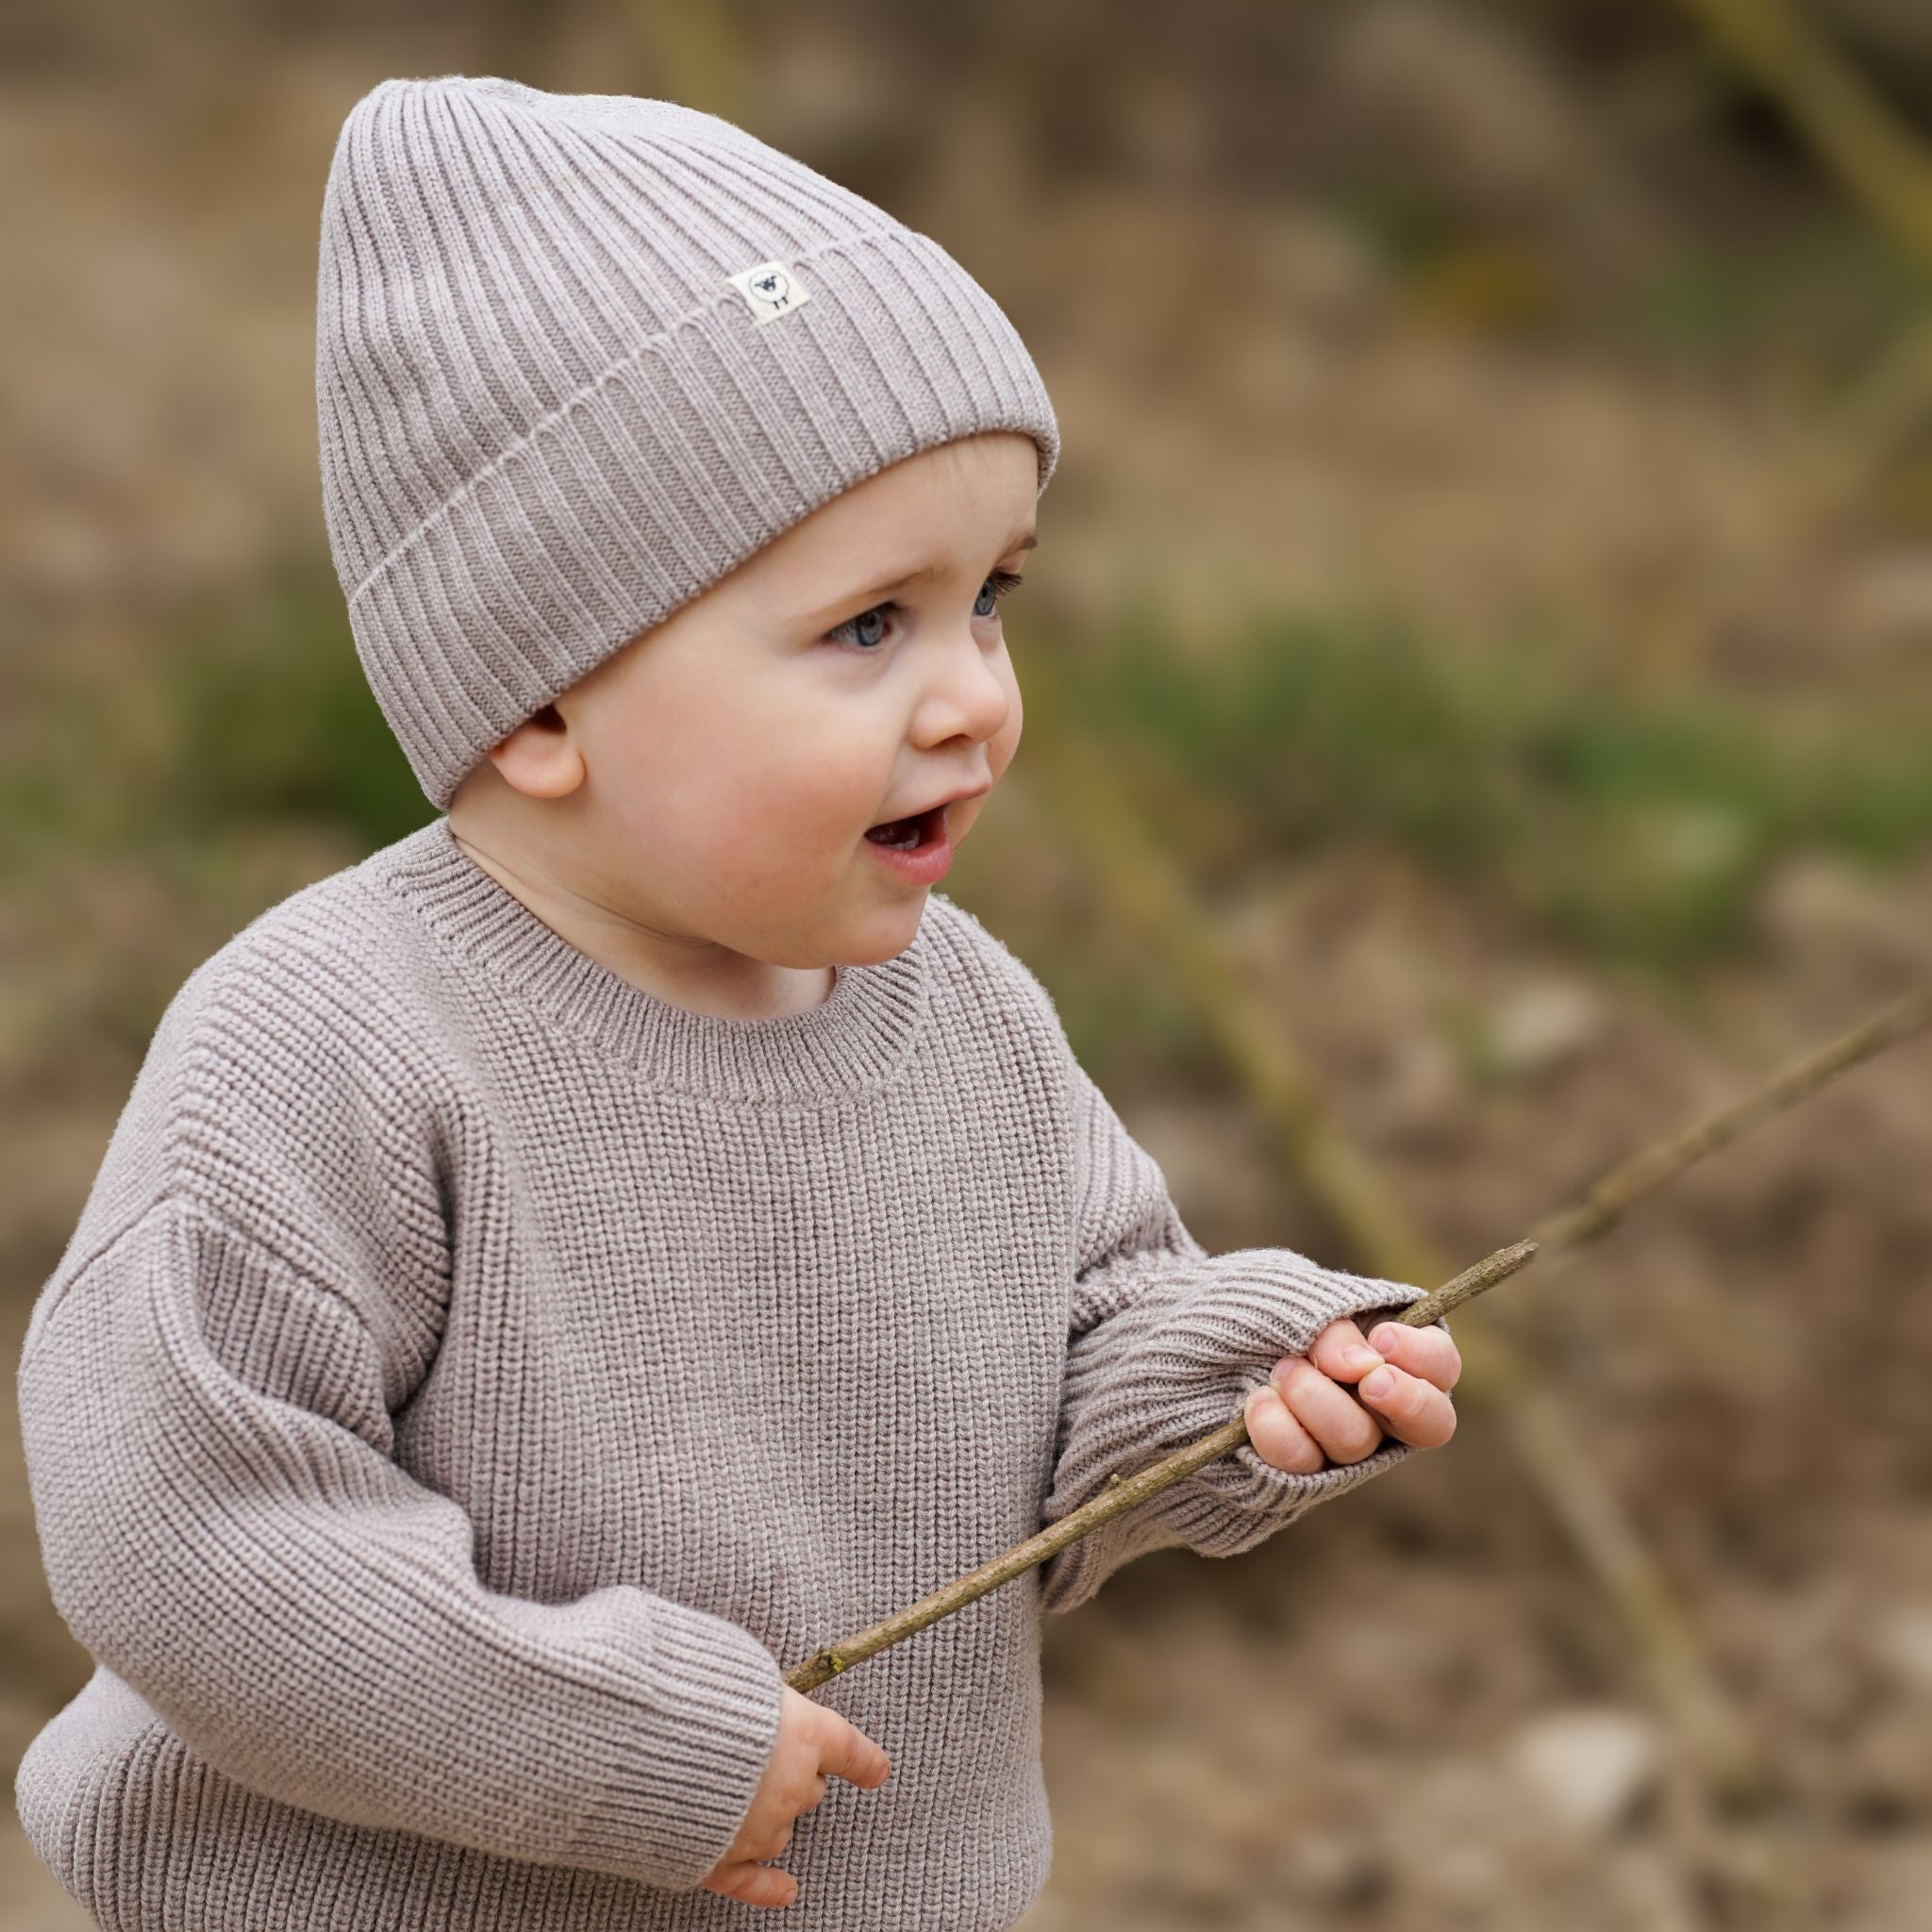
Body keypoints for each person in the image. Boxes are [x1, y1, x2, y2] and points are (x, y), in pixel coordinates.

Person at [13, 75, 1460, 1931]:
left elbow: (1074, 1352)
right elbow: (194, 1538)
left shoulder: (966, 1019)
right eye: (870, 626)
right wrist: (623, 1745)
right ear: (543, 702)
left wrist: (1236, 1382)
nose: (976, 697)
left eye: (992, 599)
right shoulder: (336, 1042)